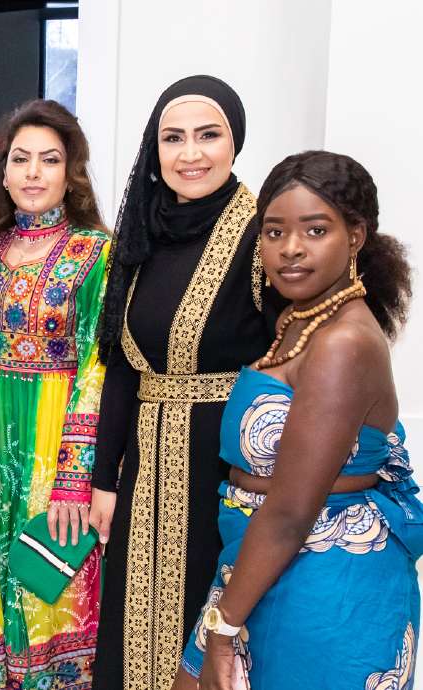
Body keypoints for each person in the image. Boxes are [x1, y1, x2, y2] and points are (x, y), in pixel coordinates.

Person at [173, 151, 419, 689]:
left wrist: (222, 628)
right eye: (274, 231)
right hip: (258, 566)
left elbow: (289, 509)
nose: (290, 249)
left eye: (315, 230)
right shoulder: (300, 320)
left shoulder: (344, 342)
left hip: (323, 585)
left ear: (355, 236)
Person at [88, 75, 276, 690]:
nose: (190, 153)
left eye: (208, 135)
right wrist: (103, 481)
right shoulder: (144, 231)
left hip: (226, 472)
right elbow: (121, 365)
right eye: (173, 138)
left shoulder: (263, 234)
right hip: (145, 469)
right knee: (134, 634)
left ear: (234, 143)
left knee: (214, 632)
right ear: (155, 149)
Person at [0, 99, 109, 689]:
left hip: (51, 448)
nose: (34, 173)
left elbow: (97, 369)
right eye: (21, 159)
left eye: (50, 159)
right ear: (2, 172)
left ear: (71, 173)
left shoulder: (96, 254)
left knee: (45, 582)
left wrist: (74, 475)